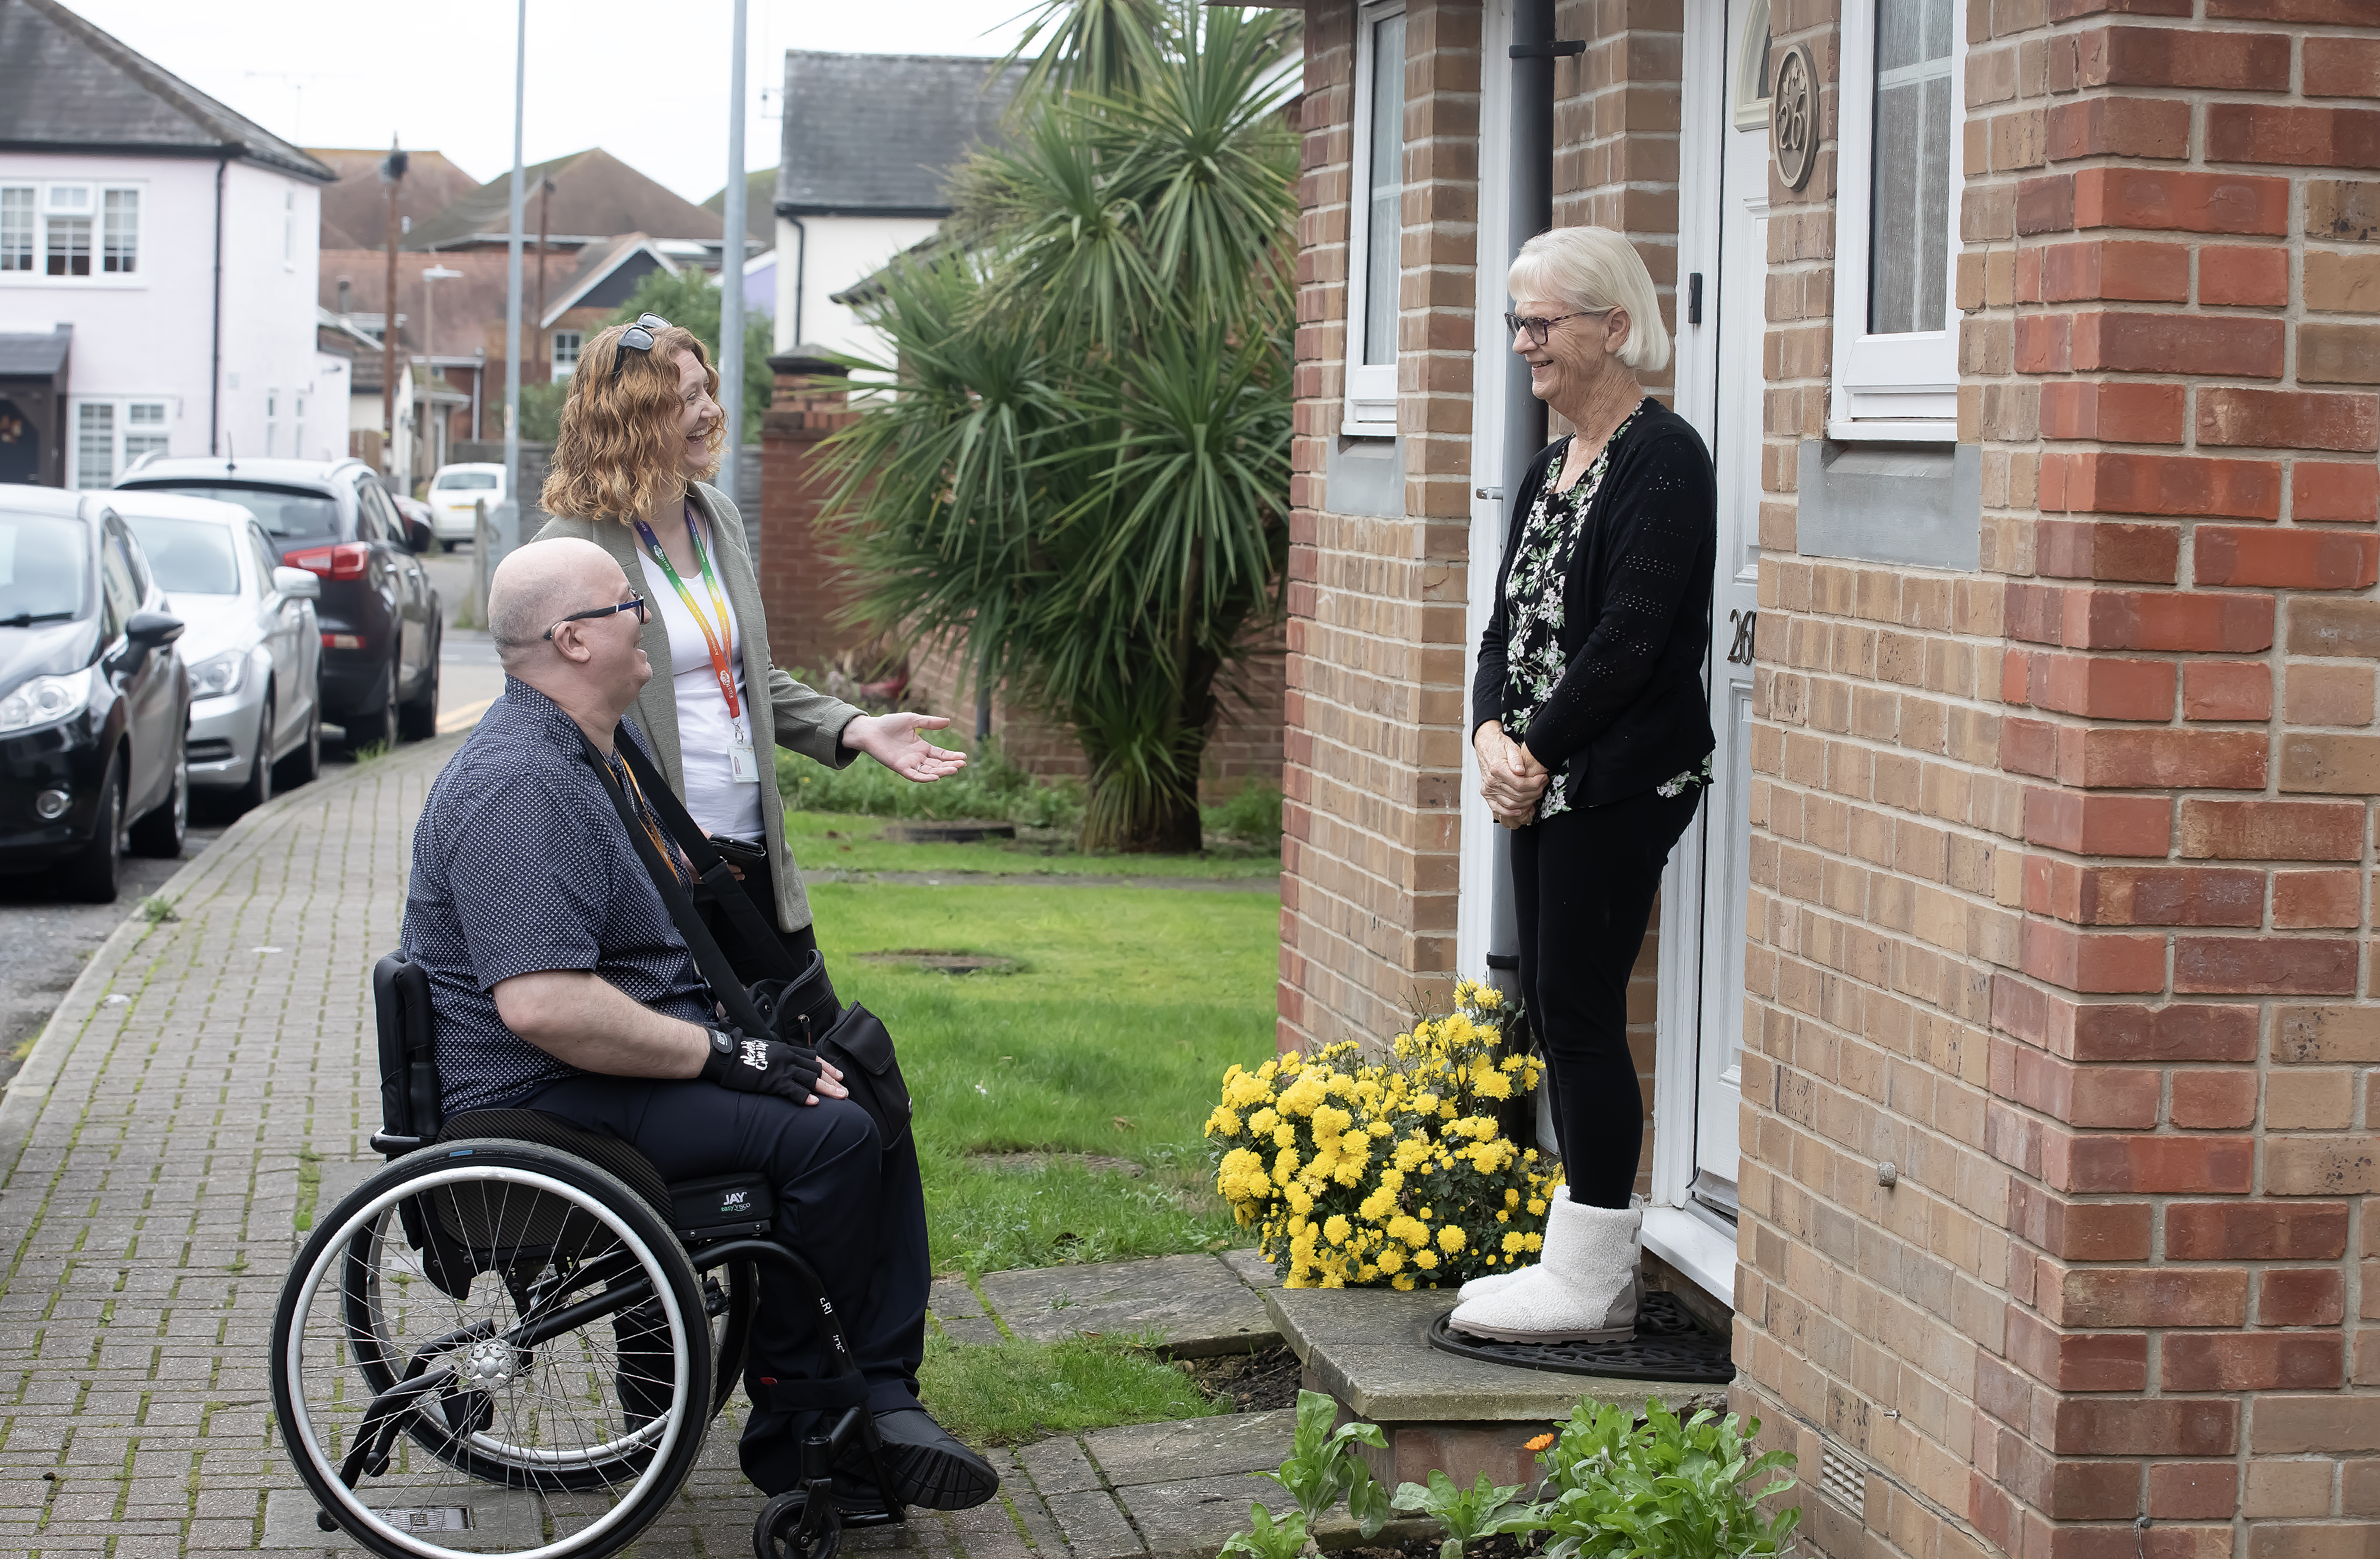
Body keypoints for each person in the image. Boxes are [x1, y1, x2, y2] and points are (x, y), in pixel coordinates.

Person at [398, 535, 998, 1511]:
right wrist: (730, 1053)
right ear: (574, 639)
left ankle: (882, 1393)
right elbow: (542, 1004)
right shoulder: (523, 783)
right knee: (828, 1136)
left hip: (594, 1073)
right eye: (628, 600)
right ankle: (804, 1425)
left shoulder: (595, 749)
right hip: (543, 1098)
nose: (650, 616)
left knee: (863, 1080)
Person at [1446, 227, 1718, 1346]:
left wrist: (1538, 750)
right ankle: (1579, 1262)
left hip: (1617, 783)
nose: (1523, 344)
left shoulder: (1666, 458)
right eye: (1517, 323)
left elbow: (1630, 642)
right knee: (1559, 1014)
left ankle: (1596, 1277)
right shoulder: (1546, 466)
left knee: (1582, 1013)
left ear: (1612, 325)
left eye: (1541, 323)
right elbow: (1506, 625)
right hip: (1542, 778)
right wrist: (1488, 734)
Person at [533, 313, 964, 968]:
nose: (711, 411)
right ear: (631, 418)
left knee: (806, 1049)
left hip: (751, 854)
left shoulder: (718, 519)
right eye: (687, 400)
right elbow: (547, 731)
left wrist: (855, 728)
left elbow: (748, 678)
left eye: (708, 390)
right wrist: (648, 831)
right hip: (657, 870)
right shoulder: (567, 550)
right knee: (704, 1060)